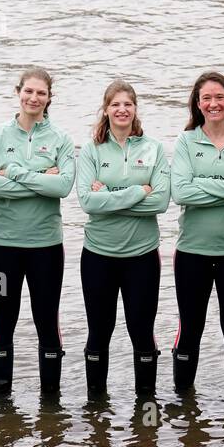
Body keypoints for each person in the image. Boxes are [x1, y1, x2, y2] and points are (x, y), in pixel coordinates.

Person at [0, 67, 77, 397]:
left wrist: (17, 173)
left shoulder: (61, 139)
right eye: (29, 91)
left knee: (46, 321)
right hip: (3, 247)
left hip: (45, 247)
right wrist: (40, 180)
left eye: (41, 93)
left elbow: (63, 186)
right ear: (18, 92)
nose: (34, 98)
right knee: (3, 320)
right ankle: (0, 401)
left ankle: (51, 402)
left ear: (49, 98)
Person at [76, 79, 171, 397]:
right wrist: (137, 192)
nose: (122, 109)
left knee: (141, 332)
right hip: (98, 256)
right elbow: (88, 203)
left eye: (128, 104)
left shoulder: (153, 148)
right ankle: (96, 406)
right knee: (99, 332)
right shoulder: (91, 150)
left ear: (135, 109)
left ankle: (146, 406)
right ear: (105, 110)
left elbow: (160, 202)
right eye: (115, 104)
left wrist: (111, 197)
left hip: (142, 256)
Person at [169, 72, 224, 392]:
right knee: (190, 328)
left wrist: (202, 185)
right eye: (206, 98)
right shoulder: (187, 141)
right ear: (197, 103)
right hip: (193, 251)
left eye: (219, 97)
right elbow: (180, 192)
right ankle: (183, 403)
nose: (213, 103)